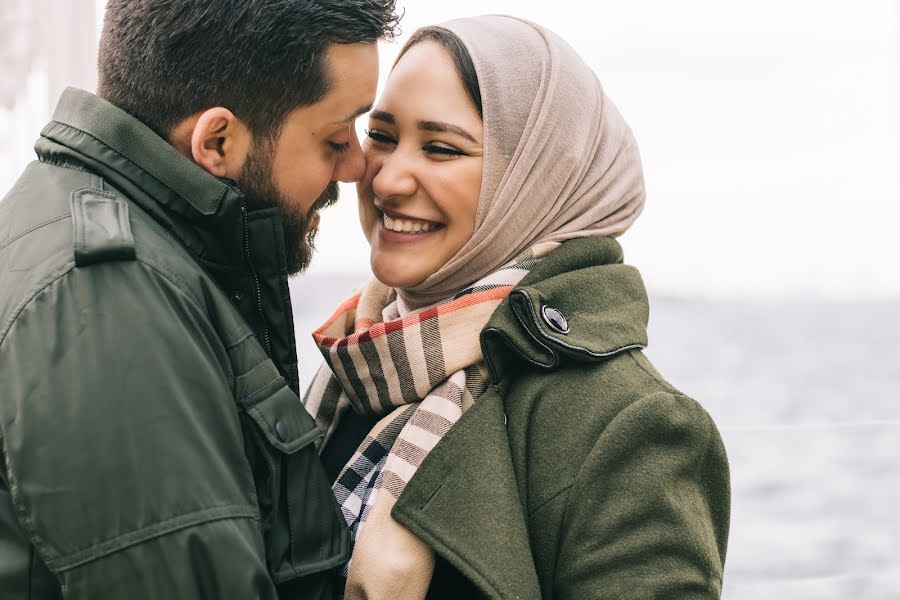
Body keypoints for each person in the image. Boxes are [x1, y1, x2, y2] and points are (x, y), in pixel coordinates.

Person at [304, 15, 731, 599]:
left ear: (536, 176)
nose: (389, 179)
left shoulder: (629, 426)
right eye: (381, 135)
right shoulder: (361, 364)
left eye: (440, 148)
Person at [0, 1, 400, 598]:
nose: (356, 167)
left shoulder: (105, 239)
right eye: (336, 136)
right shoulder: (109, 310)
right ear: (217, 141)